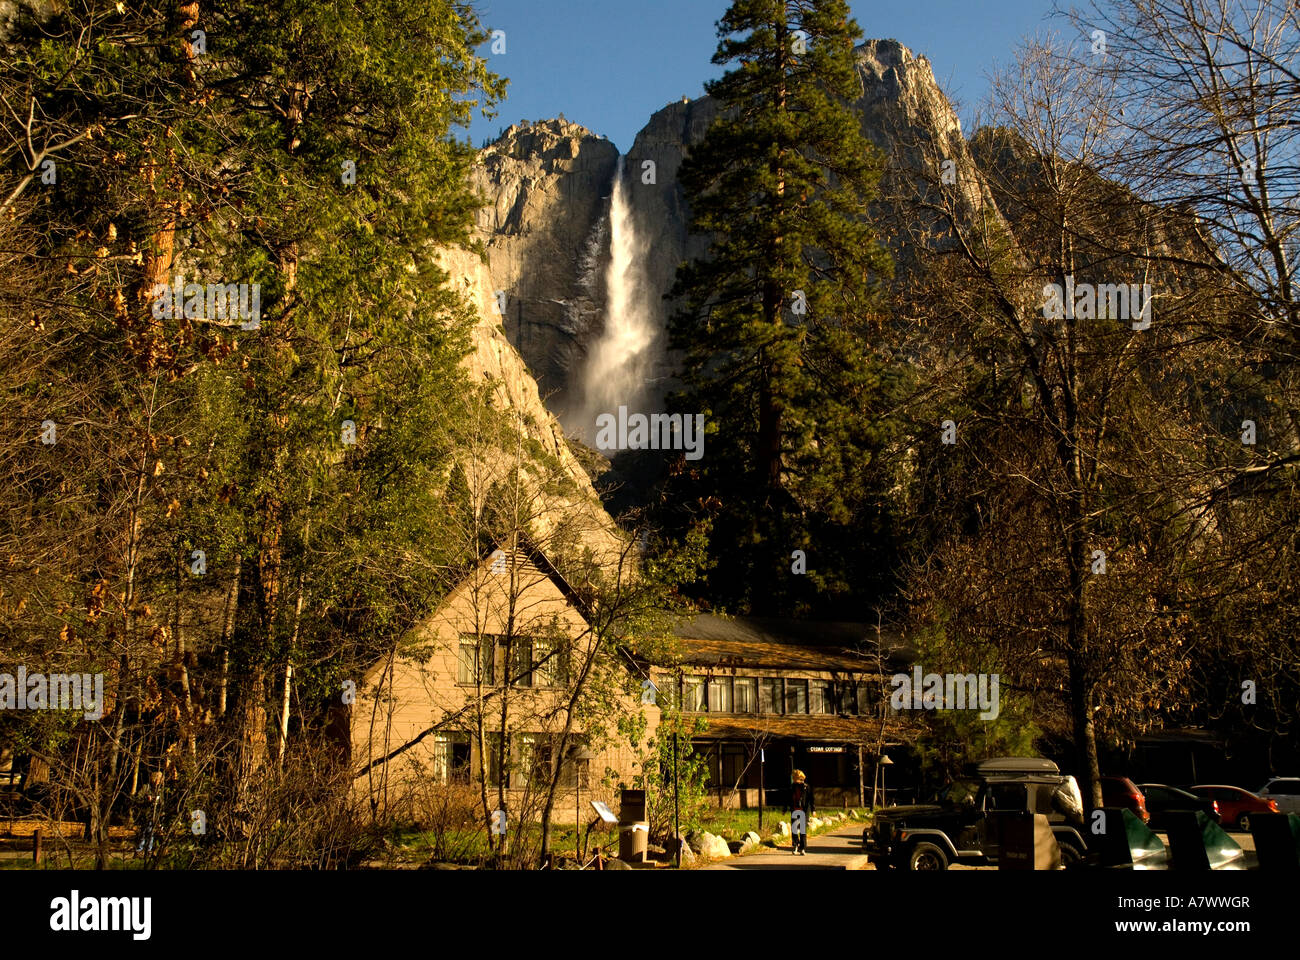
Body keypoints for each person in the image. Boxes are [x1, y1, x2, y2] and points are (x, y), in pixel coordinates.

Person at [788, 769, 814, 855]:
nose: (794, 779)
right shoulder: (792, 787)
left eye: (795, 778)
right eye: (794, 778)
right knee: (794, 829)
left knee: (802, 830)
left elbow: (811, 799)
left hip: (803, 810)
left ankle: (802, 848)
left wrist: (813, 810)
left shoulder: (806, 787)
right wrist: (785, 809)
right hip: (794, 810)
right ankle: (795, 845)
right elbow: (787, 799)